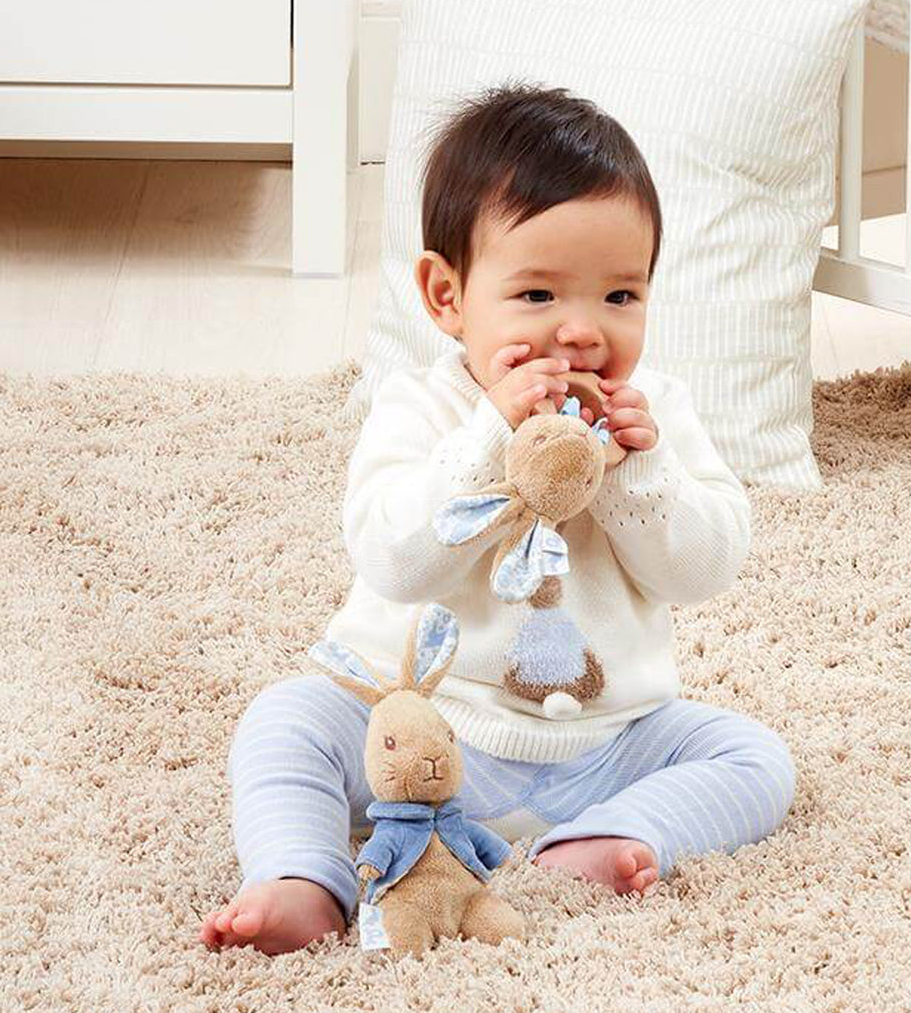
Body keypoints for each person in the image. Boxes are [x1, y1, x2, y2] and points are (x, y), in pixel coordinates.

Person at [199, 81, 795, 955]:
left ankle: (605, 836)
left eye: (620, 297)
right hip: (423, 737)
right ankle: (299, 876)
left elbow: (704, 571)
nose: (583, 332)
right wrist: (492, 440)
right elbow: (393, 558)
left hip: (602, 743)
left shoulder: (654, 411)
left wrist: (641, 476)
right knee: (285, 721)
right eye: (538, 296)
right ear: (448, 297)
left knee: (755, 760)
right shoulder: (425, 409)